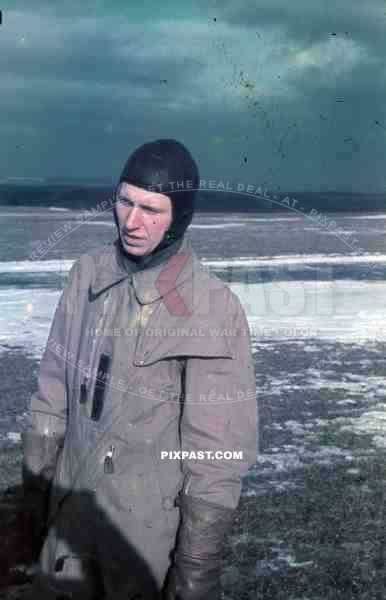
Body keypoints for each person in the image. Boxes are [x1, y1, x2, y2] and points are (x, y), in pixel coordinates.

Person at [22, 138, 258, 599]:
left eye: (152, 209)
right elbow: (51, 394)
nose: (132, 222)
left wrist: (194, 574)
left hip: (141, 539)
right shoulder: (86, 275)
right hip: (66, 518)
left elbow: (216, 456)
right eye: (125, 201)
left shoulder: (212, 309)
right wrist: (33, 503)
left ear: (180, 216)